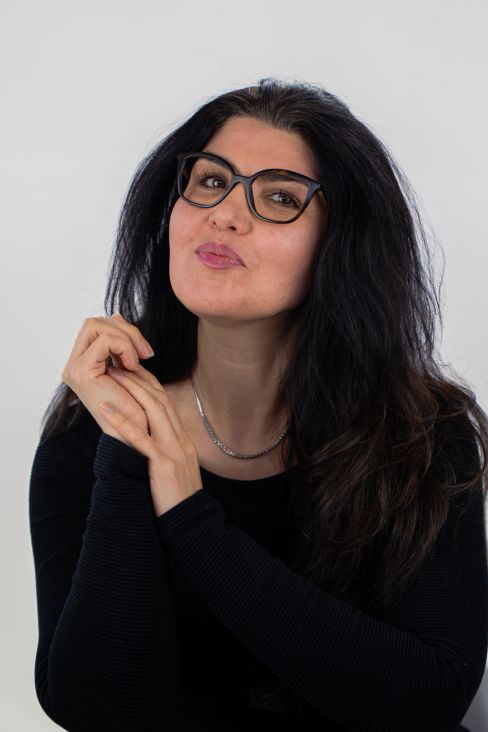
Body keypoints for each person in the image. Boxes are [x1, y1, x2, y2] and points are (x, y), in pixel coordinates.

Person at [29, 78, 488, 731]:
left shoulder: (421, 434)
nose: (225, 214)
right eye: (211, 181)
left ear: (341, 244)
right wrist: (130, 450)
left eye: (279, 197)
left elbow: (428, 702)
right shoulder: (91, 427)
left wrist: (190, 517)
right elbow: (95, 710)